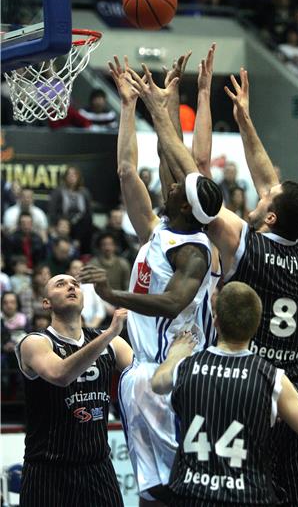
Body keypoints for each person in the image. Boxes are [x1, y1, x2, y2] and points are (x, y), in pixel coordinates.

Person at [149, 66, 298, 506]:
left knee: (249, 488)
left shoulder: (245, 245)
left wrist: (158, 115)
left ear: (270, 218)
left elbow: (195, 181)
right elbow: (271, 182)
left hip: (255, 383)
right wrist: (245, 119)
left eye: (264, 201)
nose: (258, 194)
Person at [79, 47, 223, 505]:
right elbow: (128, 170)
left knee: (177, 491)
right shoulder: (161, 230)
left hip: (174, 374)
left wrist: (111, 292)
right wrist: (132, 105)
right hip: (143, 375)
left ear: (185, 206)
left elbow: (170, 302)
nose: (173, 182)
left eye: (178, 187)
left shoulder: (195, 254)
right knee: (151, 493)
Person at [152, 282, 298, 506]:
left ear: (216, 320)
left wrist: (175, 354)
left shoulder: (186, 367)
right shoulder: (271, 378)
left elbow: (158, 383)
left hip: (192, 495)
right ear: (257, 325)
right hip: (248, 496)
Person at [15, 273, 133, 507]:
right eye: (61, 284)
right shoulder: (34, 342)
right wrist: (110, 333)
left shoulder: (111, 343)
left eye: (75, 285)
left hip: (98, 469)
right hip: (47, 472)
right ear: (46, 302)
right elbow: (60, 375)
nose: (71, 287)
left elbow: (146, 380)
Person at [48, 166, 94, 255]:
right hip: (63, 223)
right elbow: (52, 211)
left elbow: (89, 213)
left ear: (78, 177)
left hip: (81, 226)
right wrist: (53, 226)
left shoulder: (85, 192)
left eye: (74, 175)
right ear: (65, 177)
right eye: (69, 175)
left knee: (89, 225)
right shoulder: (58, 191)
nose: (71, 177)